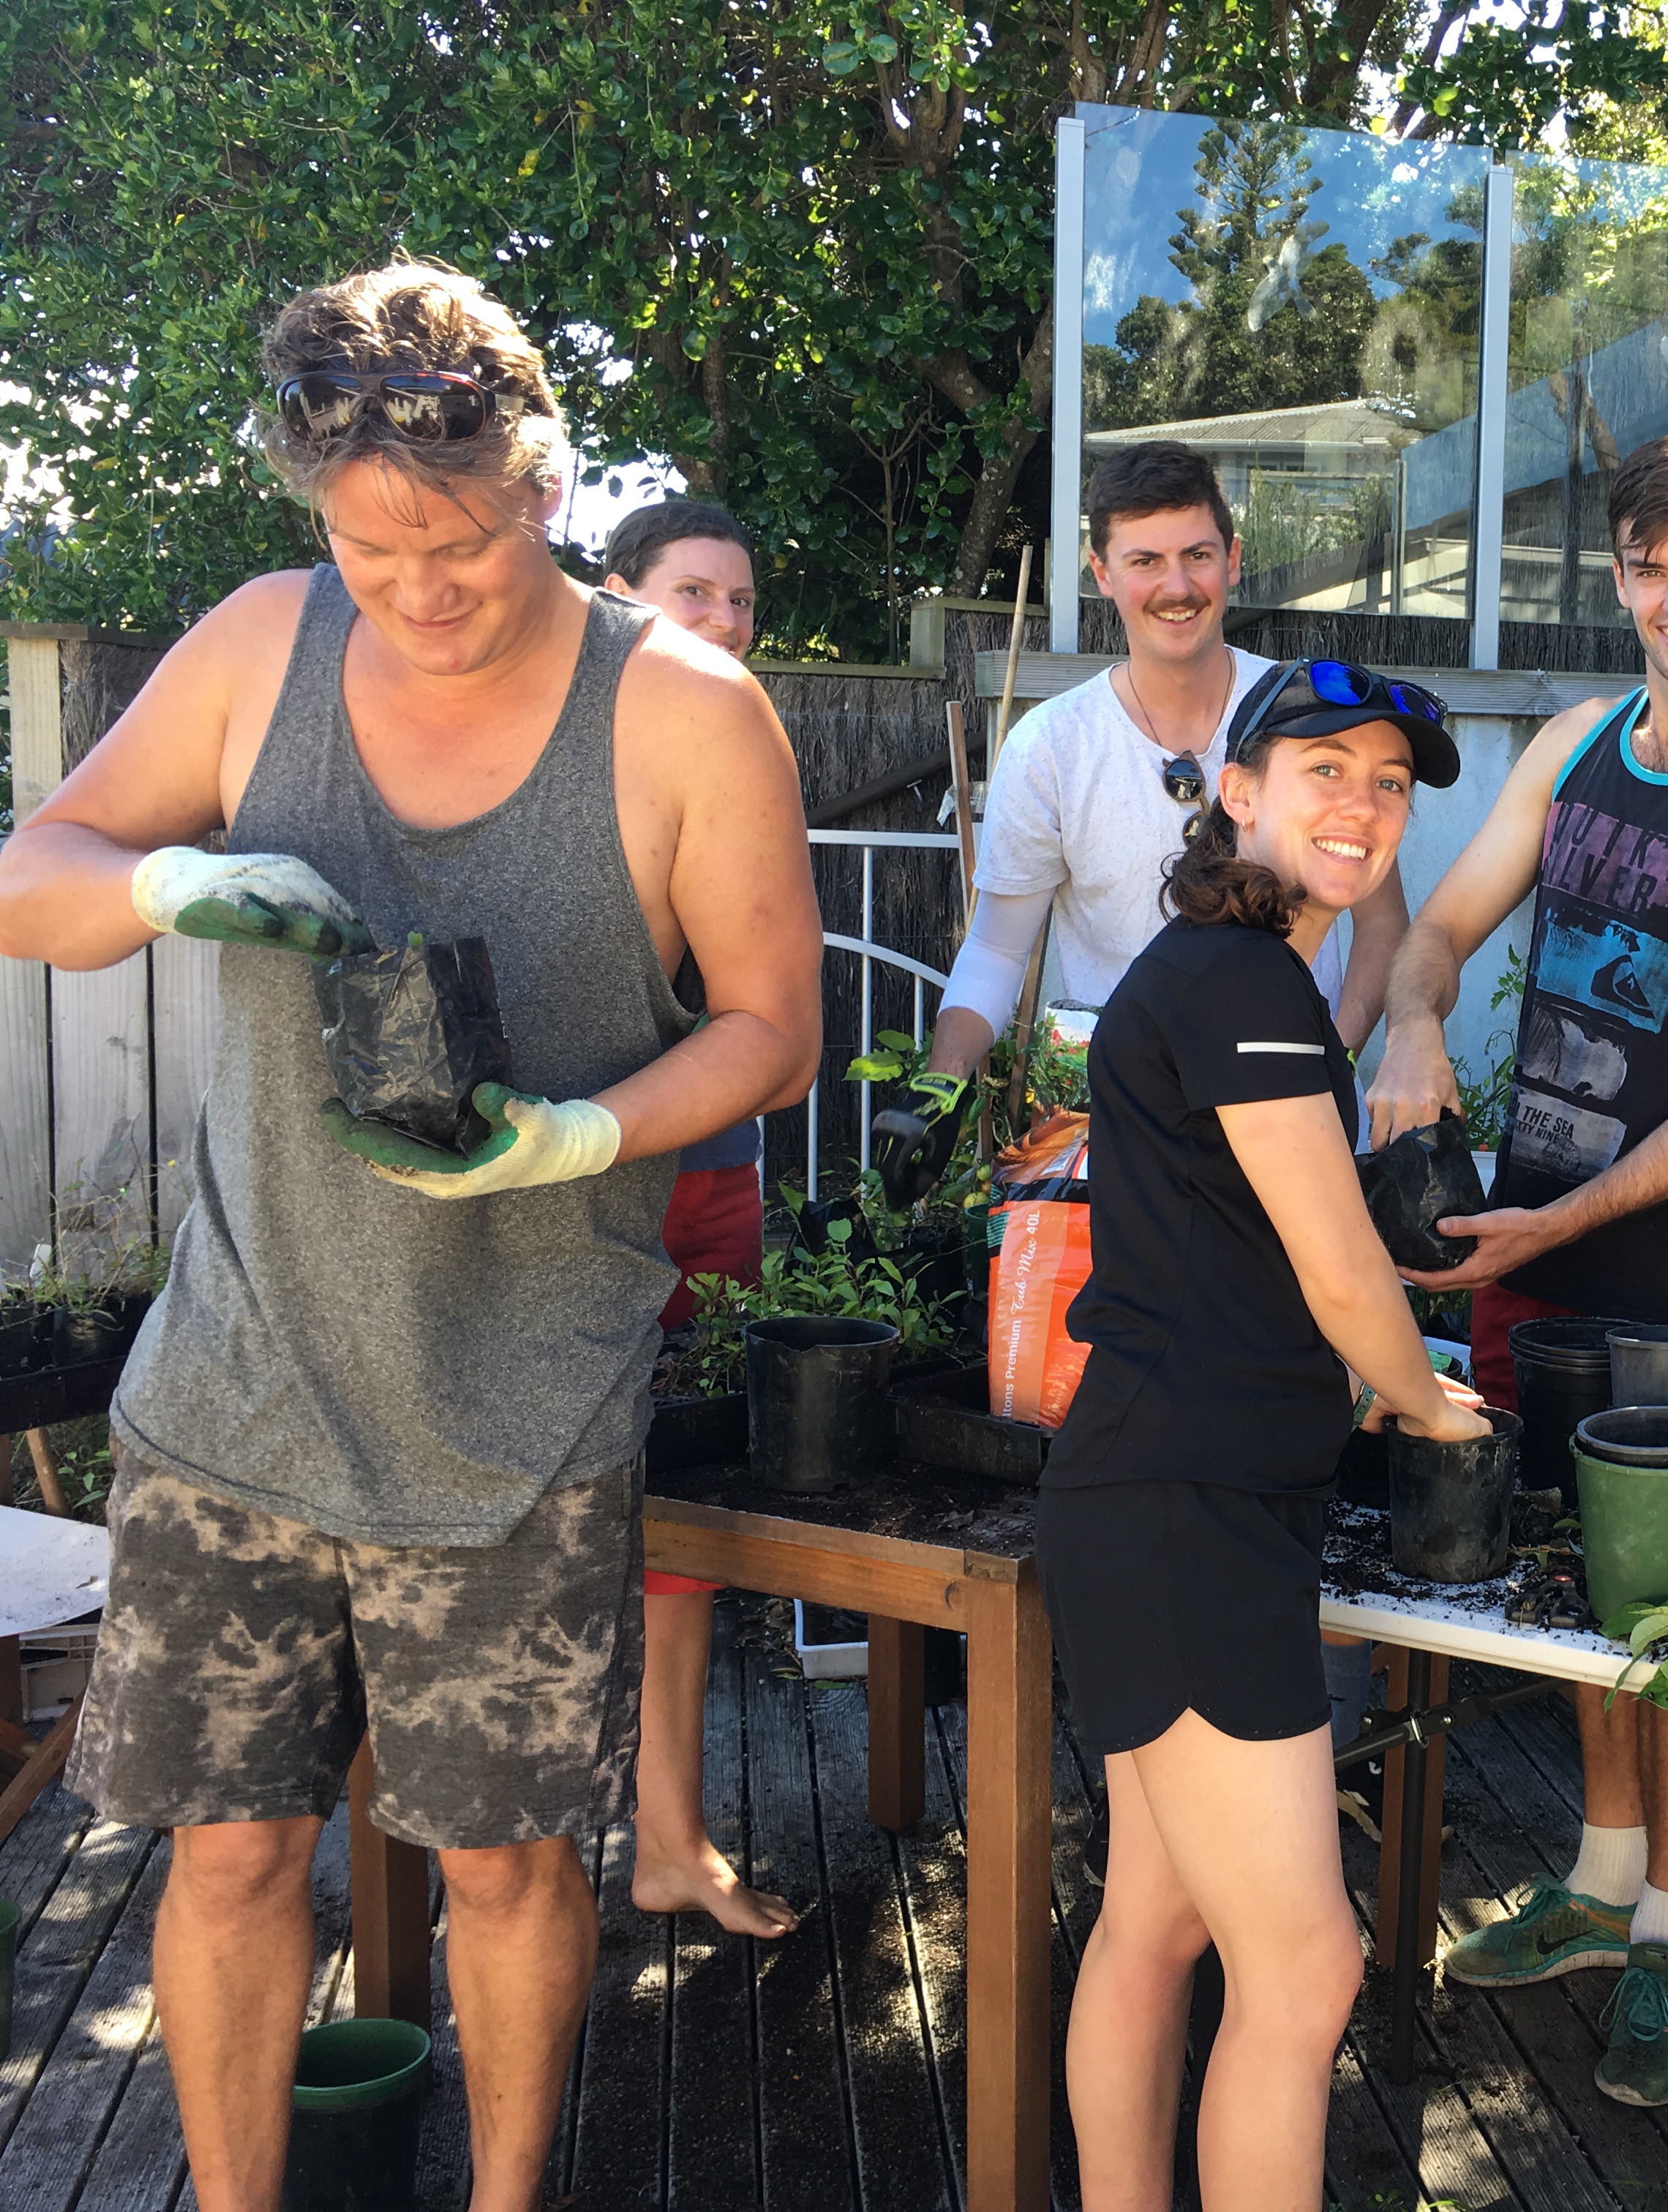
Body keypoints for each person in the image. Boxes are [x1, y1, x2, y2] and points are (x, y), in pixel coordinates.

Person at [0, 263, 822, 2212]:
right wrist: (175, 877)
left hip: (516, 1409)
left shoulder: (688, 713)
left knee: (509, 1867)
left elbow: (773, 1026)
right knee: (221, 1852)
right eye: (369, 552)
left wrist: (588, 1134)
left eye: (454, 539)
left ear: (541, 479)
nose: (418, 587)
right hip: (238, 1384)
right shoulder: (257, 647)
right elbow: (35, 877)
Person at [1365, 428, 1668, 2108]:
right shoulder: (1579, 744)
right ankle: (1589, 1883)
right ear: (1619, 575)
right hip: (1531, 1250)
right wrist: (1418, 1021)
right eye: (1651, 569)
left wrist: (1561, 1223)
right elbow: (1437, 927)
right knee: (1575, 1600)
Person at [1036, 657, 1489, 2212]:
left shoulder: (1240, 974)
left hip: (1165, 1489)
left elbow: (1260, 1259)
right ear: (1239, 793)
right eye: (1324, 772)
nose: (1361, 804)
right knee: (1304, 1975)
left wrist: (1357, 1372)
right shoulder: (1240, 986)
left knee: (1154, 1926)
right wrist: (1422, 1392)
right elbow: (1339, 1258)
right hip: (1189, 1509)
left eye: (1387, 782)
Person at [869, 440, 1410, 1204]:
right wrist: (941, 1082)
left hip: (1298, 1129)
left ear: (1234, 559)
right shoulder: (1052, 746)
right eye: (1146, 561)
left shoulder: (1309, 716)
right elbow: (996, 948)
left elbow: (1384, 923)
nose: (1177, 586)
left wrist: (1331, 1054)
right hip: (1118, 1142)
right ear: (1102, 573)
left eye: (1197, 555)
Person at [600, 494, 798, 1941]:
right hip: (558, 1197)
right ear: (618, 598)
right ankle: (504, 1857)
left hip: (710, 1179)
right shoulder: (556, 762)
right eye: (692, 593)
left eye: (739, 599)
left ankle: (668, 1839)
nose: (722, 622)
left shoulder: (744, 760)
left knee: (677, 1523)